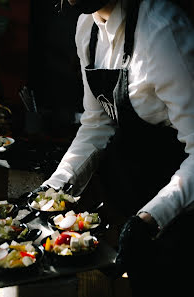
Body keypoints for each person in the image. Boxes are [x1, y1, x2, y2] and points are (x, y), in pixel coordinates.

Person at [36, 0, 194, 295]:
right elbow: (97, 123)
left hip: (182, 208)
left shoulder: (163, 30)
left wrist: (150, 219)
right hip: (131, 198)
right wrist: (52, 190)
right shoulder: (87, 28)